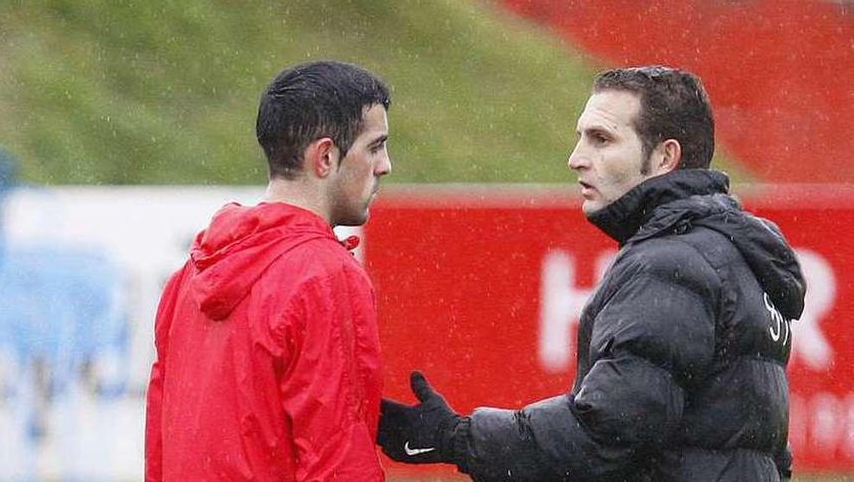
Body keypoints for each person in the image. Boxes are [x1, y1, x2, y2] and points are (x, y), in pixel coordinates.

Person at [378, 66, 804, 481]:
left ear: (664, 157)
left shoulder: (670, 264)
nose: (576, 159)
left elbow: (604, 435)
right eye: (581, 138)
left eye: (601, 140)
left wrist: (455, 436)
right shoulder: (728, 253)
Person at [145, 61, 392, 481]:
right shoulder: (325, 277)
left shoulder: (190, 274)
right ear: (326, 156)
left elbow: (160, 447)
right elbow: (337, 460)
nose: (385, 165)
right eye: (375, 147)